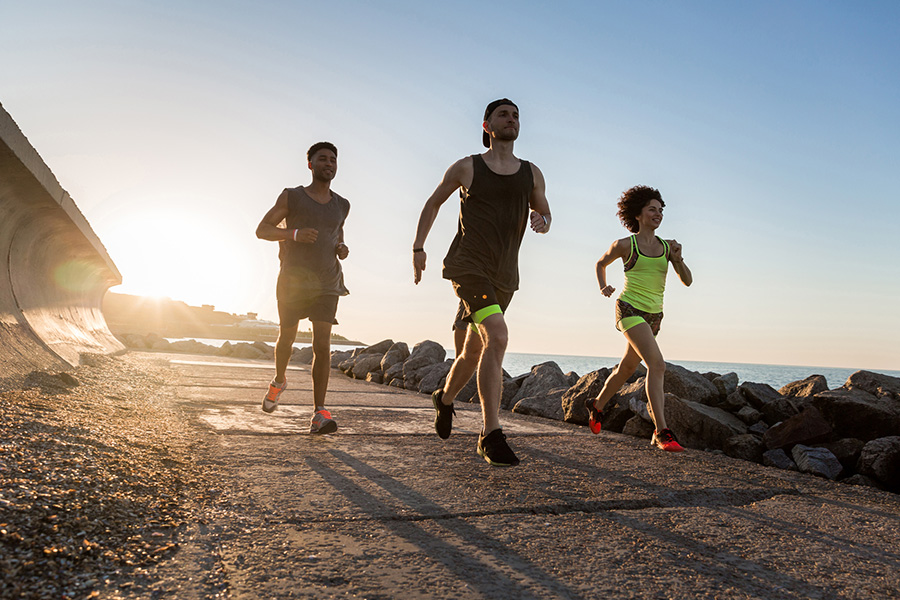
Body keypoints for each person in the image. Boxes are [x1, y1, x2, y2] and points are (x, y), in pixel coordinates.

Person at [413, 99, 551, 466]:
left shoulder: (532, 173)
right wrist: (418, 247)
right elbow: (433, 203)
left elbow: (544, 210)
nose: (512, 119)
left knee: (473, 352)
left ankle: (443, 399)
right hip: (468, 267)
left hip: (506, 274)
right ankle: (490, 433)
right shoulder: (467, 167)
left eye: (516, 115)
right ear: (487, 125)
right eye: (504, 114)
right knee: (499, 335)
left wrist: (543, 220)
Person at [586, 185, 692, 451]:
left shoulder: (668, 247)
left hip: (654, 315)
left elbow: (687, 281)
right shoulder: (625, 245)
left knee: (627, 368)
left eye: (661, 210)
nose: (658, 214)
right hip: (629, 309)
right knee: (657, 365)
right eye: (652, 209)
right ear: (638, 214)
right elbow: (600, 263)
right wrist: (603, 286)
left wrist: (677, 259)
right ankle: (662, 431)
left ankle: (597, 406)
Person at [255, 141, 350, 434]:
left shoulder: (342, 204)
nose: (329, 164)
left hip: (327, 282)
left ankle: (319, 412)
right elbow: (262, 230)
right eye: (322, 159)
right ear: (310, 164)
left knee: (322, 346)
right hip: (293, 281)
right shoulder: (292, 196)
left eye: (333, 160)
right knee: (287, 337)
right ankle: (279, 380)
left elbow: (337, 231)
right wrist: (293, 234)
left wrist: (341, 246)